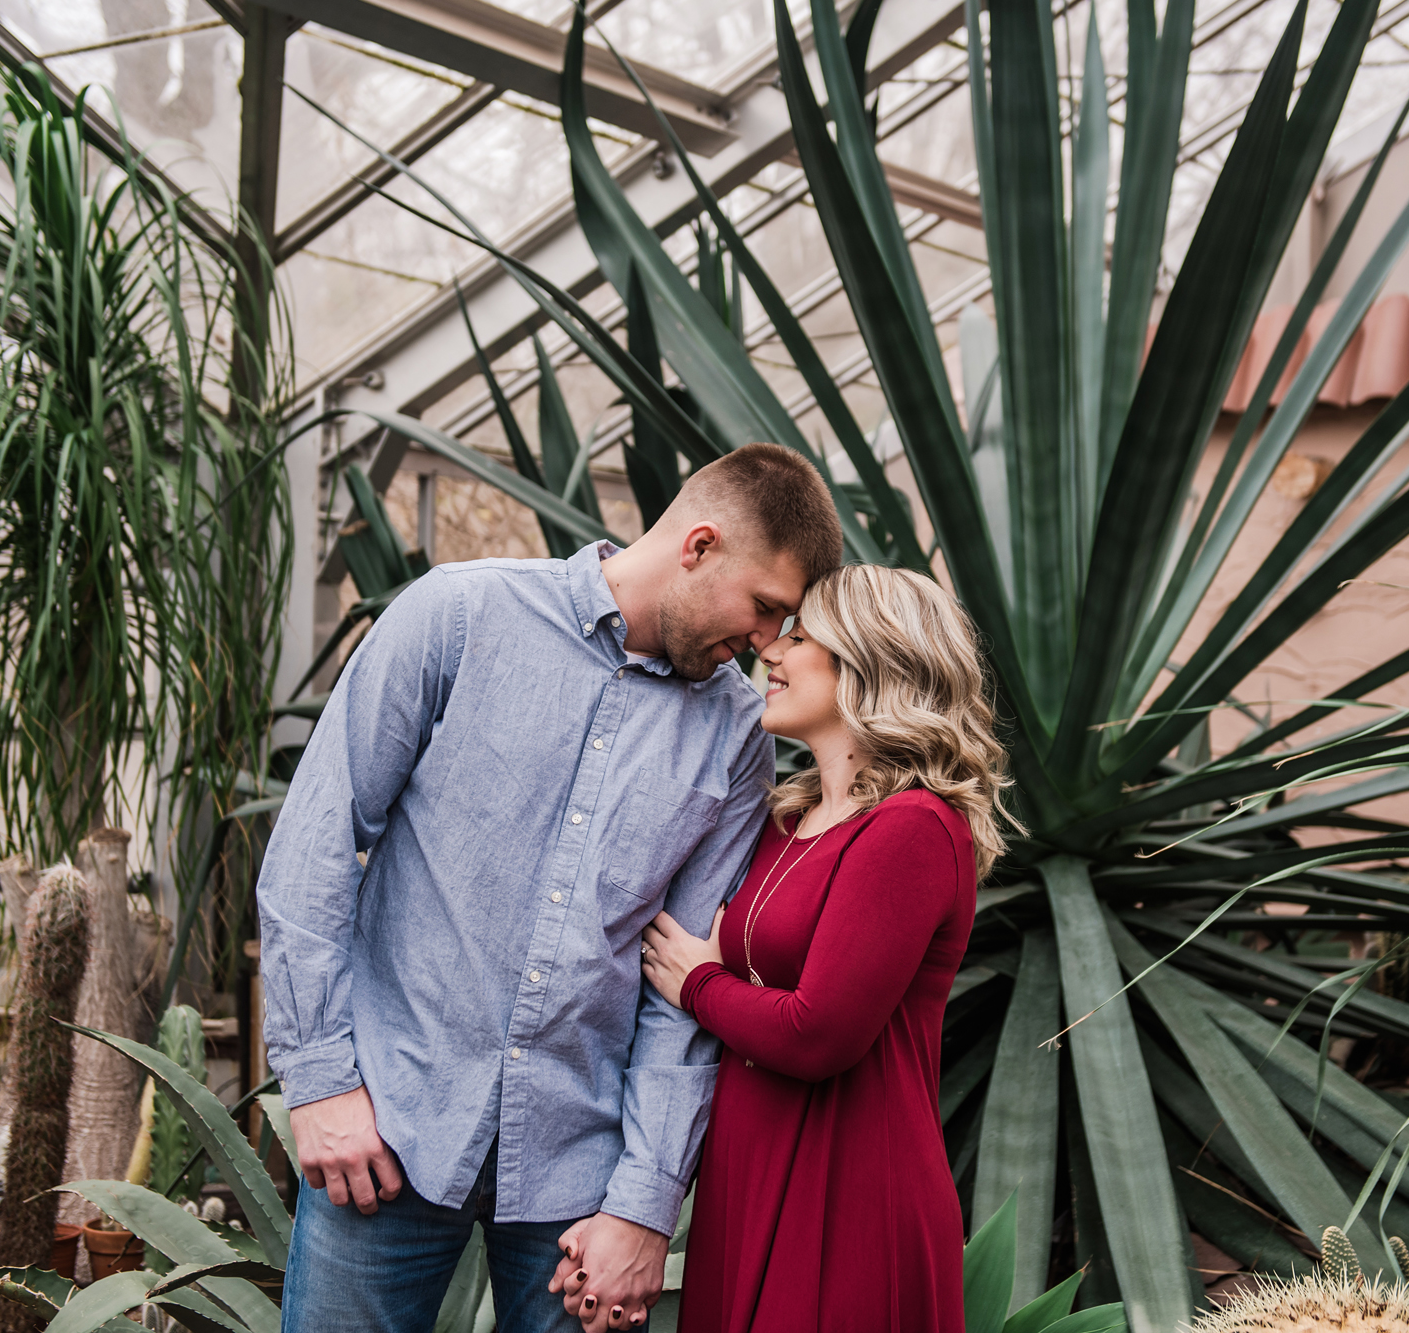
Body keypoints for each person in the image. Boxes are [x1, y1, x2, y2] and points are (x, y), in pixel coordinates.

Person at [258, 443, 844, 1333]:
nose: (767, 643)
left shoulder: (735, 738)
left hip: (579, 1186)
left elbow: (680, 988)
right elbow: (315, 848)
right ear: (698, 545)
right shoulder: (458, 616)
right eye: (765, 607)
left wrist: (645, 1202)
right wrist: (319, 1080)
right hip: (384, 1129)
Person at [639, 563, 1017, 1333]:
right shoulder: (789, 818)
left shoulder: (913, 828)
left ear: (871, 662)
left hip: (847, 1189)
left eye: (801, 636)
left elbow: (820, 1032)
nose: (770, 652)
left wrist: (700, 985)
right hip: (749, 1171)